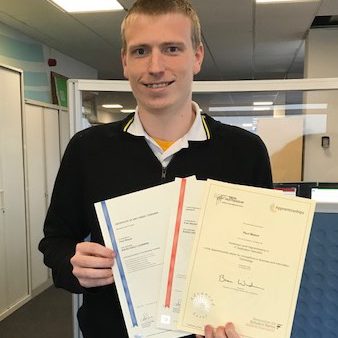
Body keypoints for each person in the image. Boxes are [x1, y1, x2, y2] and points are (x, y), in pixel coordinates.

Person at [39, 1, 272, 337]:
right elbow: (56, 242)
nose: (155, 66)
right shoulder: (88, 149)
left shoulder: (244, 153)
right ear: (124, 61)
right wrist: (73, 265)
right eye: (140, 51)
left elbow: (259, 262)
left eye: (172, 48)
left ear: (197, 56)